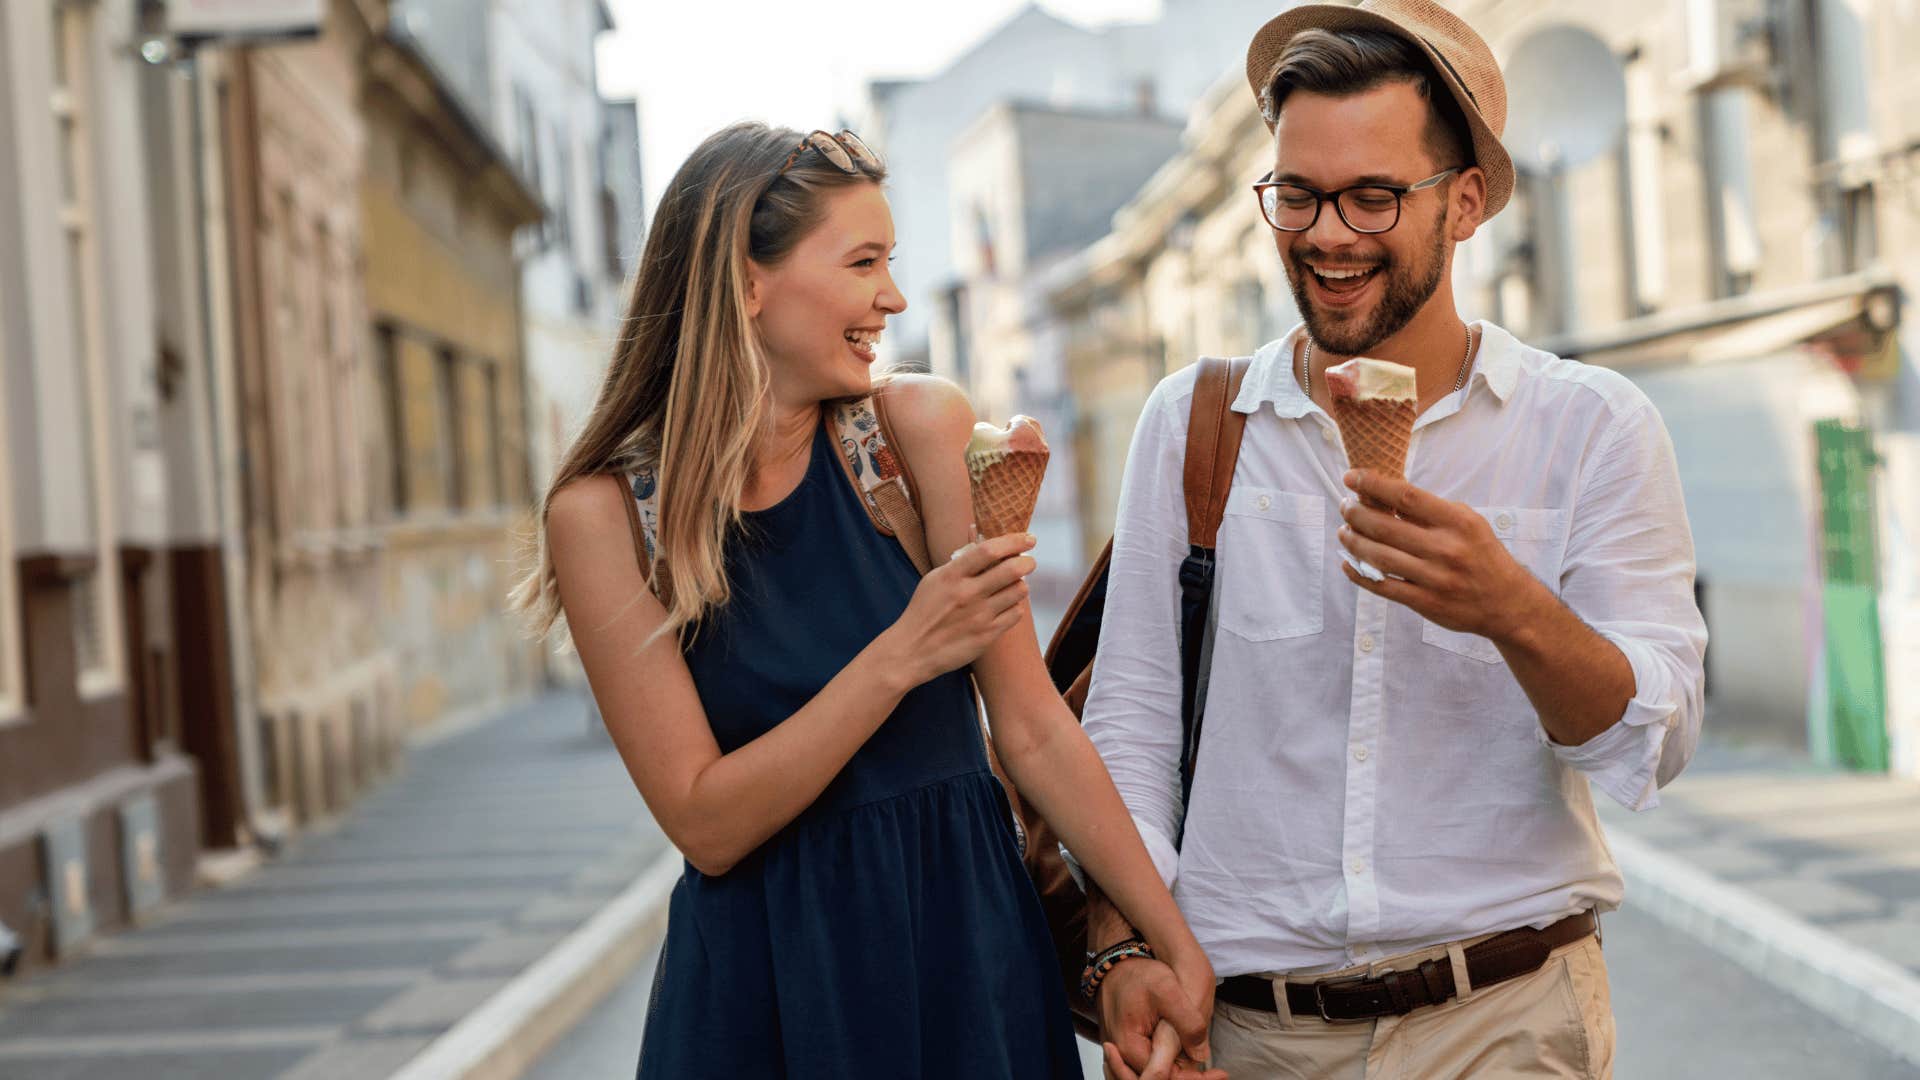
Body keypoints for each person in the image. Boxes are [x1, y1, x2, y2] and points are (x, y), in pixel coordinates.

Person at [1078, 2, 1708, 1077]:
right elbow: (1133, 733)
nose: (1327, 234)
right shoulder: (1195, 426)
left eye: (1373, 196)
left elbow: (1651, 744)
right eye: (1299, 194)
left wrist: (1509, 607)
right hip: (1251, 1031)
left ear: (1464, 204)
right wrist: (1126, 946)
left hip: (1505, 1017)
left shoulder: (1588, 425)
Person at [512, 122, 1218, 1079]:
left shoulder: (917, 431)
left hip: (968, 954)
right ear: (745, 281)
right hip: (768, 989)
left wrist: (1166, 946)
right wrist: (903, 654)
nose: (892, 297)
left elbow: (1033, 729)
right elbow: (706, 824)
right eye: (863, 262)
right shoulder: (602, 517)